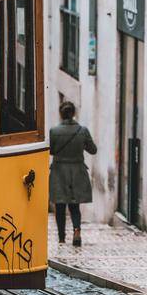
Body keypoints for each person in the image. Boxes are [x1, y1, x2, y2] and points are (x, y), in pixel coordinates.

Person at [49, 101, 97, 247]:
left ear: (61, 114)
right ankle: (76, 231)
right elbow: (93, 150)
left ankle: (61, 238)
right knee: (74, 206)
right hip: (77, 170)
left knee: (60, 206)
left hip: (59, 171)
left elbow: (50, 150)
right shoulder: (82, 131)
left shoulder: (54, 131)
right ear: (74, 113)